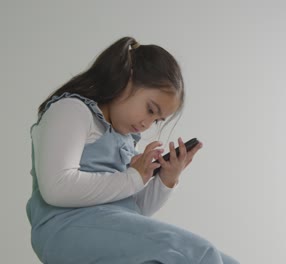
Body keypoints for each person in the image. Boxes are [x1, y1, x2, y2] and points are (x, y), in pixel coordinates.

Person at [26, 36, 239, 264]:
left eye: (157, 120)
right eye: (150, 109)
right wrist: (134, 177)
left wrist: (165, 179)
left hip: (102, 228)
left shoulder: (124, 138)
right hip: (65, 228)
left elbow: (132, 211)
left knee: (225, 261)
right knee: (196, 253)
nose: (147, 124)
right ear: (126, 78)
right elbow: (56, 188)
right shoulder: (72, 110)